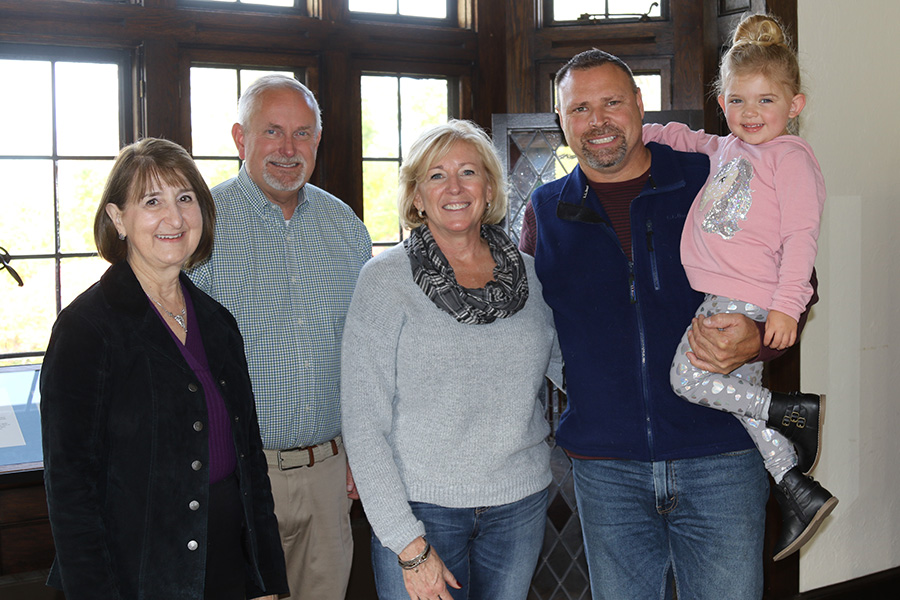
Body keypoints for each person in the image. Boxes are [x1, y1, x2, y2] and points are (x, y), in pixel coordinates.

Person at [518, 48, 816, 599]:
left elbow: (795, 275)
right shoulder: (543, 213)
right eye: (579, 108)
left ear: (639, 104)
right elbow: (529, 332)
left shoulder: (713, 172)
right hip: (608, 470)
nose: (598, 120)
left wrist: (756, 343)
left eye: (612, 101)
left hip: (721, 457)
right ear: (561, 120)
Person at [40, 138, 288, 600]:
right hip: (135, 574)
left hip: (229, 566)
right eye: (152, 202)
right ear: (118, 218)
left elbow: (250, 466)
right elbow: (71, 490)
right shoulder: (86, 330)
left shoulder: (217, 322)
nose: (173, 218)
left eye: (185, 199)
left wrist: (266, 580)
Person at [340, 120, 563, 600]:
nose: (455, 187)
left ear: (489, 187)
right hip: (421, 511)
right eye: (436, 176)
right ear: (417, 197)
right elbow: (363, 423)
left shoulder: (532, 276)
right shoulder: (384, 281)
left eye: (468, 171)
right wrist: (408, 544)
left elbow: (569, 367)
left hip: (519, 504)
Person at [642, 13, 837, 562]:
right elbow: (687, 137)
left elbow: (802, 238)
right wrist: (644, 130)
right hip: (723, 294)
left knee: (688, 377)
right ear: (722, 102)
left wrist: (786, 309)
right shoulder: (731, 147)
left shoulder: (792, 157)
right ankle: (797, 489)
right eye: (737, 101)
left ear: (794, 105)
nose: (750, 114)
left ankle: (790, 410)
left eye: (765, 101)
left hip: (747, 294)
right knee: (740, 409)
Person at [187, 74, 372, 600]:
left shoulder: (346, 228)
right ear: (240, 139)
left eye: (303, 133)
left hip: (329, 474)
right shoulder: (201, 226)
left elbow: (365, 357)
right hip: (237, 473)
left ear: (318, 140)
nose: (289, 149)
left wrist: (361, 451)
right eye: (272, 132)